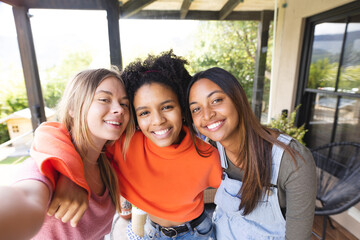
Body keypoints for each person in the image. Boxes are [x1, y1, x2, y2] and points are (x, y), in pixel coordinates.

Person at [29, 51, 223, 240]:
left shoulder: (206, 154)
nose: (158, 120)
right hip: (151, 231)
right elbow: (49, 131)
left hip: (197, 231)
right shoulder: (124, 145)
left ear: (181, 107)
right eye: (144, 112)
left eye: (167, 107)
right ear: (136, 118)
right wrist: (69, 173)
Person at [0, 68, 134, 240]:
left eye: (124, 104)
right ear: (73, 108)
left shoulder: (107, 165)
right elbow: (26, 199)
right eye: (104, 99)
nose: (119, 109)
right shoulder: (47, 165)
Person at [186, 67, 316, 240]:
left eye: (216, 100)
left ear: (238, 99)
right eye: (196, 109)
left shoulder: (292, 161)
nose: (207, 115)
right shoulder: (212, 150)